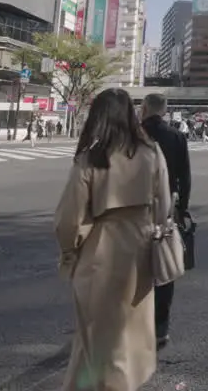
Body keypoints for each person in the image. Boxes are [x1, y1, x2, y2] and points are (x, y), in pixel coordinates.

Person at [56, 88, 169, 391]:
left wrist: (70, 249)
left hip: (100, 246)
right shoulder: (150, 151)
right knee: (129, 330)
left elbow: (69, 218)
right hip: (140, 246)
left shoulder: (91, 157)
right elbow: (164, 205)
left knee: (98, 332)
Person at [141, 93, 192, 350]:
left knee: (135, 266)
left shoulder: (134, 134)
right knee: (164, 266)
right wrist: (183, 207)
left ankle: (133, 323)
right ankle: (160, 326)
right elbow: (185, 175)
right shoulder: (176, 136)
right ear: (165, 110)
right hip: (166, 208)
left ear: (145, 107)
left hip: (135, 208)